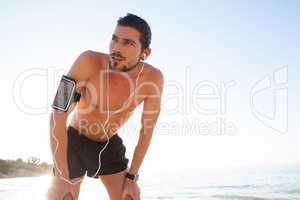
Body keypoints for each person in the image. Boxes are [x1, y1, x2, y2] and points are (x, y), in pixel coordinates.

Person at [46, 13, 164, 200]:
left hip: (109, 145)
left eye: (128, 43)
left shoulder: (153, 79)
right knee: (62, 196)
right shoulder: (87, 61)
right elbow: (57, 112)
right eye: (114, 39)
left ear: (145, 53)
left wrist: (132, 177)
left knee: (129, 197)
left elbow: (147, 130)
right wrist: (61, 175)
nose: (116, 48)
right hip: (73, 142)